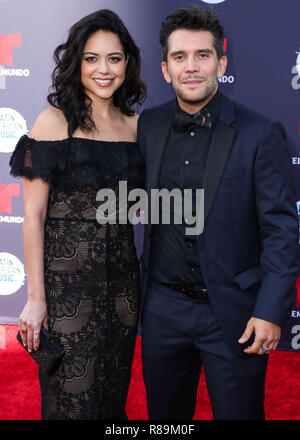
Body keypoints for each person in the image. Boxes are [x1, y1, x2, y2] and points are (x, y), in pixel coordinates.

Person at [137, 6, 298, 420]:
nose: (191, 67)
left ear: (220, 63)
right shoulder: (147, 126)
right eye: (179, 57)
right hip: (162, 308)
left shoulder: (260, 132)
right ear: (166, 68)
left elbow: (281, 229)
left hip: (235, 312)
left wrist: (268, 310)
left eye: (202, 55)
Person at [9, 9, 146, 420]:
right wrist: (36, 299)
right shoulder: (54, 123)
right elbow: (32, 216)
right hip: (67, 292)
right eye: (91, 58)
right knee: (70, 402)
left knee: (111, 399)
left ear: (127, 64)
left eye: (114, 58)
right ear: (76, 64)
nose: (103, 69)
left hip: (123, 292)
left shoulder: (136, 127)